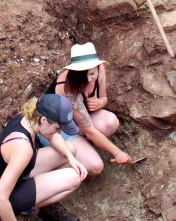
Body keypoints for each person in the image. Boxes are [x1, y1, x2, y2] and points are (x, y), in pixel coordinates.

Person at [0, 94, 88, 221]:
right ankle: (19, 214)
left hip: (13, 175)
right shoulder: (23, 149)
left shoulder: (28, 117)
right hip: (5, 197)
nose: (58, 132)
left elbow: (53, 137)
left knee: (70, 149)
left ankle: (40, 200)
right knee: (74, 178)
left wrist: (70, 158)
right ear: (44, 120)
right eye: (57, 127)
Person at [40, 42, 132, 175]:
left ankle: (83, 147)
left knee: (110, 122)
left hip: (76, 123)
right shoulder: (68, 87)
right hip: (56, 128)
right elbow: (89, 130)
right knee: (96, 166)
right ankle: (59, 160)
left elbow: (103, 97)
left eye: (92, 74)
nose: (89, 80)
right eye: (84, 76)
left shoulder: (100, 68)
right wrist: (117, 152)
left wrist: (100, 103)